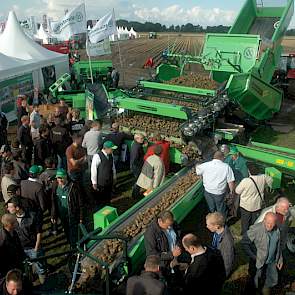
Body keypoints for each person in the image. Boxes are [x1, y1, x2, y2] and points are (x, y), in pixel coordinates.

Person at [6, 197, 45, 284]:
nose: (8, 209)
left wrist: (36, 248)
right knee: (26, 271)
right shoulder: (11, 219)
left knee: (40, 269)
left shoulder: (32, 216)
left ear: (17, 208)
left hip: (33, 248)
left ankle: (45, 285)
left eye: (10, 207)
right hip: (21, 250)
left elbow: (39, 232)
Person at [242, 212, 283, 293]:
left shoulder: (277, 230)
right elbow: (244, 242)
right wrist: (253, 256)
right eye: (268, 223)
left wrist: (280, 259)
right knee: (254, 281)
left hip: (271, 261)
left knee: (271, 279)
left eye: (272, 223)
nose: (270, 226)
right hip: (258, 261)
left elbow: (278, 245)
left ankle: (265, 290)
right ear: (264, 220)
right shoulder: (256, 229)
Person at [196, 151, 235, 217]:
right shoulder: (226, 167)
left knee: (211, 208)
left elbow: (197, 169)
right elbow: (230, 181)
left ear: (214, 157)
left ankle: (212, 221)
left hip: (208, 191)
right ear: (222, 158)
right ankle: (221, 222)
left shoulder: (206, 165)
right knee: (221, 208)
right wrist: (232, 192)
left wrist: (202, 178)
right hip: (219, 192)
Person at [51, 169, 84, 248]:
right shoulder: (55, 186)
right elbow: (53, 202)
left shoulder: (73, 187)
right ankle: (71, 246)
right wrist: (53, 215)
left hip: (72, 215)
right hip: (62, 216)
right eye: (58, 178)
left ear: (66, 177)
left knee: (74, 233)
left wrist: (81, 217)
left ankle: (77, 248)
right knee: (66, 231)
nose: (60, 180)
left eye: (61, 178)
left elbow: (81, 204)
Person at [144, 211, 182, 277]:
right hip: (164, 266)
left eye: (171, 225)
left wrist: (178, 247)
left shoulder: (173, 224)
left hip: (176, 260)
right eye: (167, 225)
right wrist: (171, 254)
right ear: (160, 221)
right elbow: (151, 254)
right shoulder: (150, 233)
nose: (169, 227)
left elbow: (178, 236)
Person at [206, 212, 235, 277]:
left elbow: (228, 261)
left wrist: (224, 275)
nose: (206, 226)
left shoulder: (227, 243)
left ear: (217, 226)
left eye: (208, 225)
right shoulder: (217, 232)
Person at [91, 141, 117, 205]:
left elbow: (113, 166)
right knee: (101, 198)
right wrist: (94, 183)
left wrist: (114, 177)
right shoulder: (97, 156)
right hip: (101, 183)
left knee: (108, 197)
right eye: (112, 149)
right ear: (106, 148)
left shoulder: (111, 155)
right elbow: (93, 170)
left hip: (109, 181)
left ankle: (108, 206)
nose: (113, 150)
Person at [0, 214, 25, 280]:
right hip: (8, 270)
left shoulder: (14, 232)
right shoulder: (2, 239)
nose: (17, 222)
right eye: (15, 221)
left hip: (18, 265)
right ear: (9, 224)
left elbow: (19, 247)